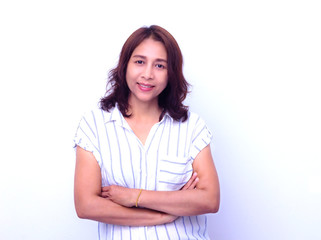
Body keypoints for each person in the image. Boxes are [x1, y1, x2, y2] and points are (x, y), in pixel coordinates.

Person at [73, 25, 220, 240]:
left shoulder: (192, 127)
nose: (148, 74)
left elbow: (209, 200)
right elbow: (86, 205)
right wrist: (161, 215)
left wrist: (134, 196)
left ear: (171, 73)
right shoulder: (94, 126)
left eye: (160, 65)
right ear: (125, 65)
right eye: (140, 62)